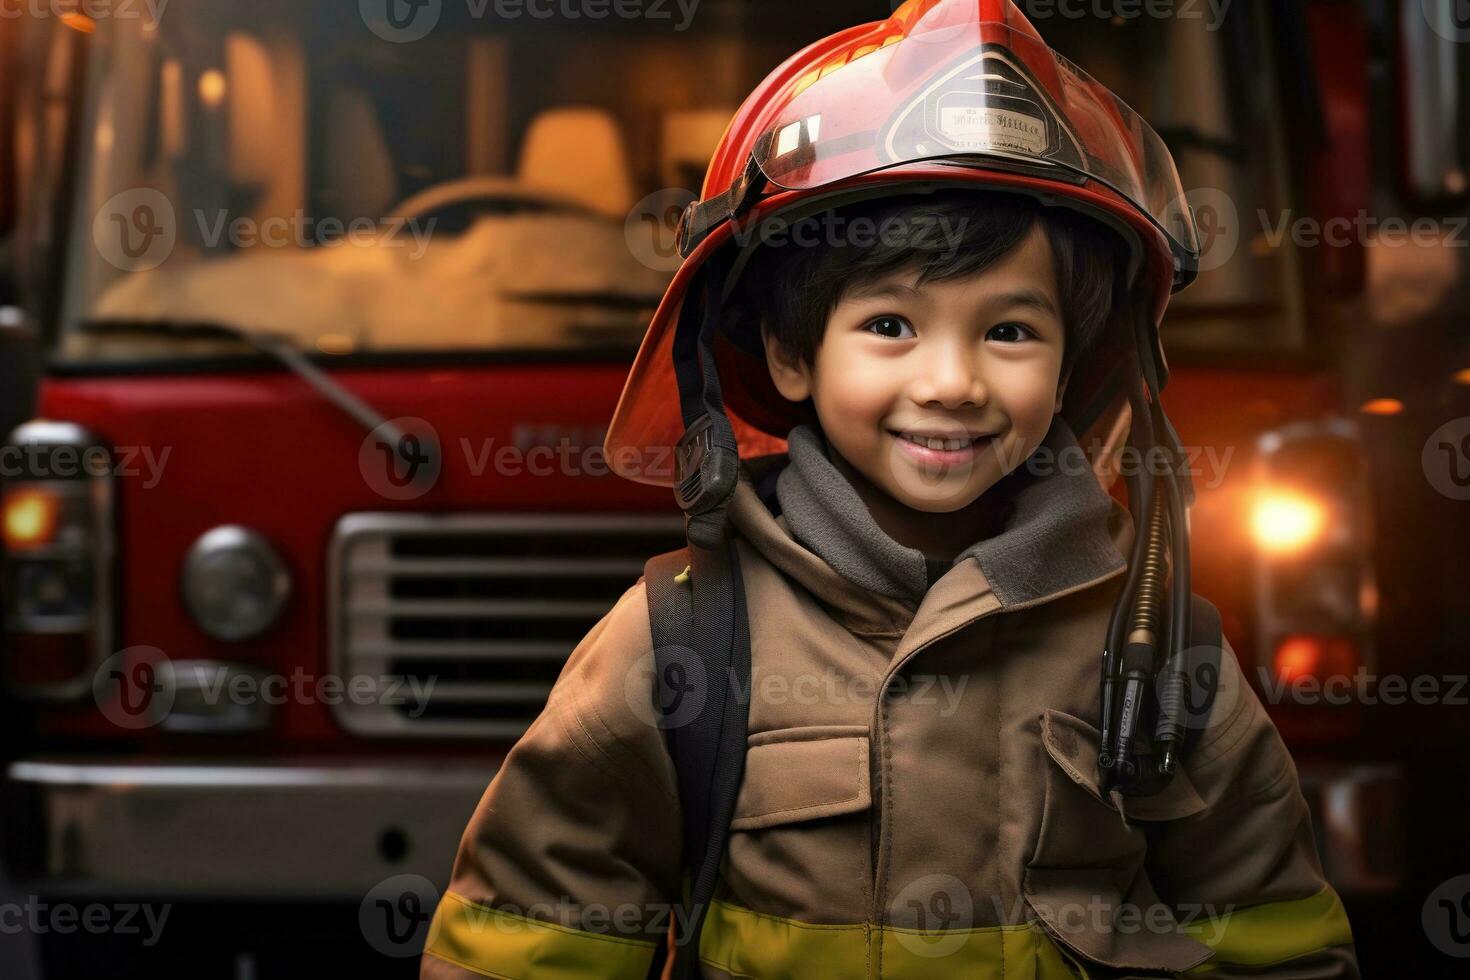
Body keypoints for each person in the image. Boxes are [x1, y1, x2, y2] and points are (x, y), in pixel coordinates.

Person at [421, 1, 1359, 977]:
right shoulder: (681, 640)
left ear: (1076, 364)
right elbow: (529, 936)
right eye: (890, 326)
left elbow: (1278, 941)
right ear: (790, 353)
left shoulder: (1161, 646)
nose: (951, 381)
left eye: (1009, 331)